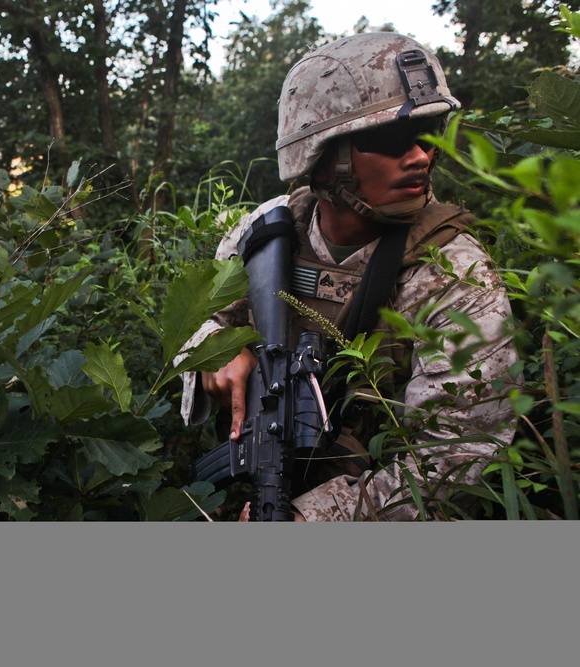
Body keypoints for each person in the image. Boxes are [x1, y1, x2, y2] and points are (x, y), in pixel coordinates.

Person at [179, 32, 520, 521]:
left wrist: (314, 519)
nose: (421, 156)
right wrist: (215, 348)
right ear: (321, 154)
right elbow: (194, 324)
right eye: (390, 139)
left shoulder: (458, 274)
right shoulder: (265, 233)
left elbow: (459, 457)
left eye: (429, 134)